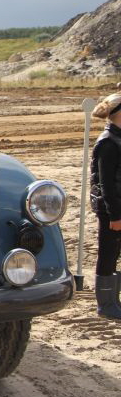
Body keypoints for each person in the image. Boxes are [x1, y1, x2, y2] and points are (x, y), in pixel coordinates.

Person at [90, 92, 121, 319]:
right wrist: (115, 215)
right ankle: (106, 305)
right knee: (108, 253)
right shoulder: (108, 143)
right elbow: (106, 184)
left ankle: (115, 301)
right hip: (112, 209)